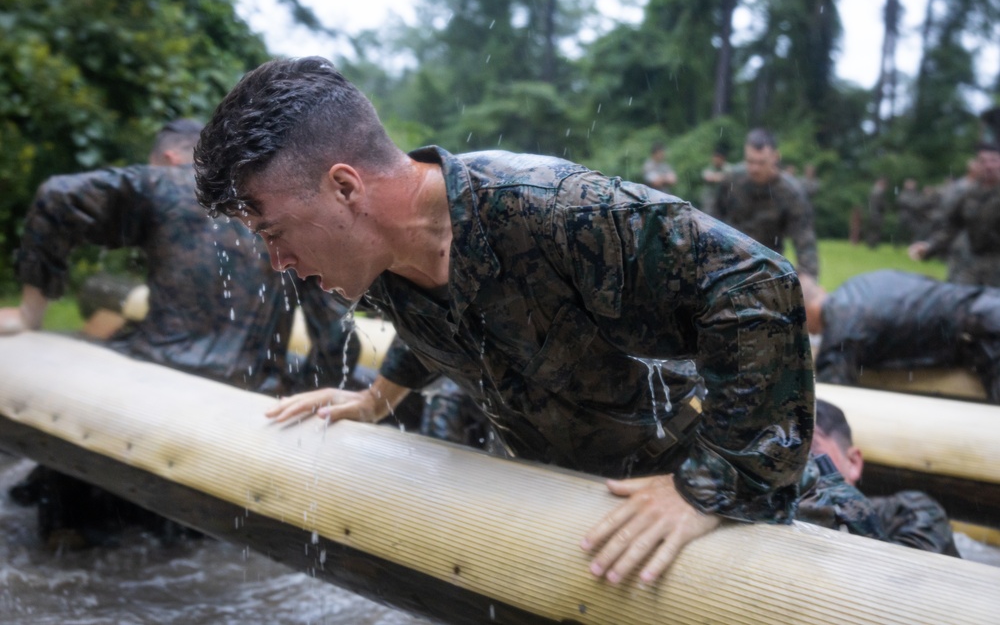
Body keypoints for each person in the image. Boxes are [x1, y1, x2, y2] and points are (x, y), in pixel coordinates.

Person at [192, 57, 882, 586]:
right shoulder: (376, 257)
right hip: (586, 505)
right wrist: (376, 398)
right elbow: (452, 318)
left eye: (275, 231)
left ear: (345, 187)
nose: (276, 260)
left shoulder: (552, 210)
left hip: (720, 495)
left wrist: (710, 487)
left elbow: (756, 282)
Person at [0, 119, 360, 547]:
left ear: (171, 159)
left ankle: (65, 528)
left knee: (57, 489)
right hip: (250, 400)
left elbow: (59, 196)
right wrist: (303, 393)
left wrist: (29, 314)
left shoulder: (164, 183)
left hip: (151, 391)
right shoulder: (279, 207)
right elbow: (337, 333)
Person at [800, 270, 1000, 403]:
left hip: (987, 334)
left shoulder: (841, 328)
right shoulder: (857, 285)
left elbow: (830, 404)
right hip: (989, 308)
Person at [812, 399, 959, 555]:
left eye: (809, 454)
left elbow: (909, 574)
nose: (798, 470)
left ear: (853, 462)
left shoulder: (911, 512)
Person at [713, 129, 820, 277]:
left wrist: (807, 277)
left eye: (761, 162)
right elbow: (713, 219)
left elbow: (804, 238)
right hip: (727, 261)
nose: (754, 169)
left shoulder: (791, 193)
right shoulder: (732, 180)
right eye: (750, 161)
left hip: (766, 267)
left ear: (775, 157)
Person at [909, 143, 1000, 286]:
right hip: (974, 265)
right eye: (983, 161)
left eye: (994, 160)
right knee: (959, 299)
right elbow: (952, 227)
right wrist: (929, 246)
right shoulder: (970, 194)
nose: (988, 166)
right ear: (976, 165)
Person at [699, 148, 730, 216]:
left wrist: (718, 177)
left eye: (718, 158)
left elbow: (728, 178)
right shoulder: (710, 168)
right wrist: (719, 177)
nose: (715, 160)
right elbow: (707, 177)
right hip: (710, 205)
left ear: (722, 158)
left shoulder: (728, 168)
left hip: (724, 204)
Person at [865, 177, 888, 248]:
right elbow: (881, 205)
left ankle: (870, 244)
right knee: (876, 230)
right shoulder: (879, 193)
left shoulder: (873, 191)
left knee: (872, 230)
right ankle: (873, 245)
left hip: (872, 213)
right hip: (876, 214)